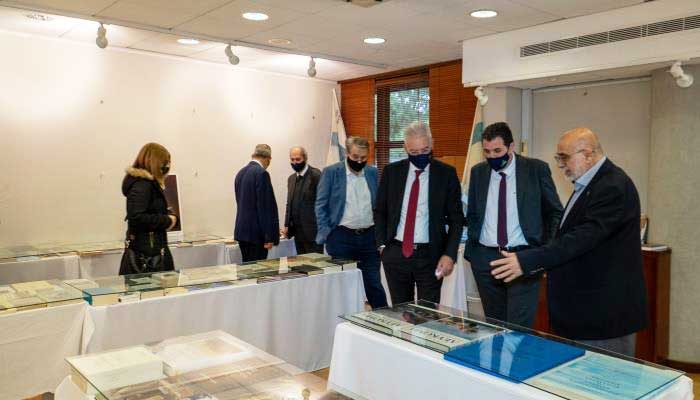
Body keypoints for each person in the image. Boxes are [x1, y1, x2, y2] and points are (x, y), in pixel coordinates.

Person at [490, 127, 648, 356]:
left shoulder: (612, 186)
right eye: (558, 158)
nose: (560, 165)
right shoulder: (588, 184)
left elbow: (580, 239)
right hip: (583, 313)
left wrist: (527, 260)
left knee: (602, 378)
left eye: (564, 157)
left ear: (588, 154)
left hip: (604, 316)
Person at [464, 122, 563, 328]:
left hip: (523, 258)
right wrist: (476, 255)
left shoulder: (536, 169)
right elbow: (472, 213)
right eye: (487, 151)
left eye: (497, 151)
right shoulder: (478, 172)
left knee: (518, 330)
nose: (492, 156)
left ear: (511, 147)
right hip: (485, 260)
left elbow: (555, 212)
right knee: (494, 327)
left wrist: (544, 252)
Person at [375, 121, 463, 305]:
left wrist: (449, 254)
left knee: (427, 314)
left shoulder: (446, 174)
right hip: (396, 254)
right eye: (414, 152)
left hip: (431, 256)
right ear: (405, 148)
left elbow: (456, 219)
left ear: (432, 144)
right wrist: (382, 246)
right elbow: (380, 211)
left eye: (425, 150)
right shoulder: (392, 172)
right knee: (400, 311)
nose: (420, 156)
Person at [316, 136, 388, 309]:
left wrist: (381, 237)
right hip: (341, 237)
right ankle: (343, 321)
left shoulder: (372, 172)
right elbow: (320, 204)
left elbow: (379, 205)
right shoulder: (331, 172)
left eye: (363, 158)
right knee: (344, 286)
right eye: (355, 157)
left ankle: (384, 318)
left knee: (374, 284)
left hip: (369, 238)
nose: (359, 161)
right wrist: (327, 233)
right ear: (347, 153)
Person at [120, 142, 178, 275]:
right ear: (155, 163)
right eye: (165, 163)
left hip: (150, 251)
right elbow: (137, 217)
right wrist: (168, 220)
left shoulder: (146, 184)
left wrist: (169, 216)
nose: (167, 167)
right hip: (147, 257)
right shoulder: (142, 185)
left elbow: (148, 211)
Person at [234, 144, 280, 262]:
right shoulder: (261, 173)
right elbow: (265, 207)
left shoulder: (240, 173)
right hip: (257, 235)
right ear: (268, 159)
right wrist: (269, 236)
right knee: (258, 270)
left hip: (242, 233)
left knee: (247, 269)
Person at [282, 146, 323, 255]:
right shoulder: (291, 179)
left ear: (305, 158)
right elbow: (289, 204)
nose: (295, 162)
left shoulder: (316, 175)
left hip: (313, 232)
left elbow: (323, 203)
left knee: (315, 264)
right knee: (302, 263)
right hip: (297, 233)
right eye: (292, 159)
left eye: (298, 159)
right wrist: (286, 225)